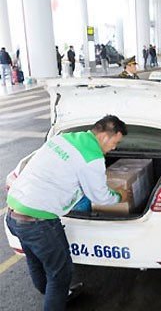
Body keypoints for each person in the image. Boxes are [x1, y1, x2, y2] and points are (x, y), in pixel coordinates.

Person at [5, 115, 128, 311]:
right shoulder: (92, 157)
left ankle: (54, 294)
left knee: (35, 259)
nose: (114, 148)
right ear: (105, 136)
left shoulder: (64, 139)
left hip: (13, 213)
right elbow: (101, 197)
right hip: (38, 222)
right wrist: (121, 196)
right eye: (115, 142)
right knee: (61, 272)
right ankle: (55, 299)